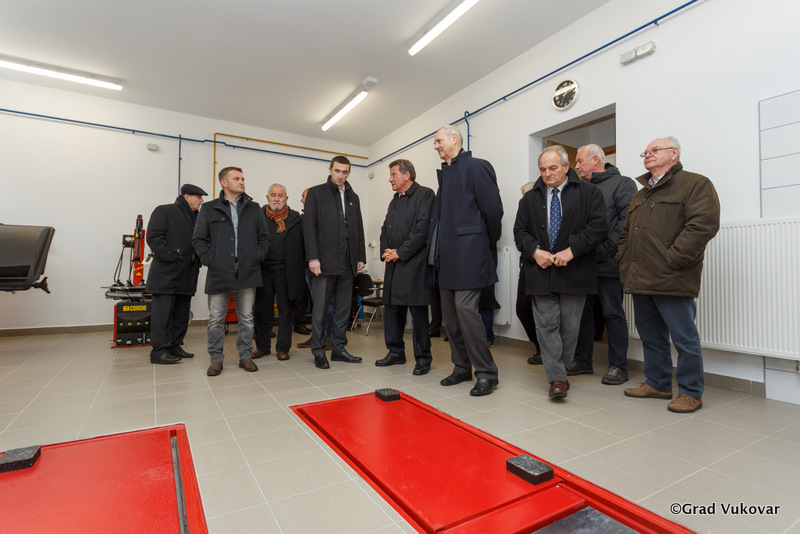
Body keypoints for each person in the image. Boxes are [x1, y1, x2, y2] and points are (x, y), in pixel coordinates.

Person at [618, 137, 720, 413]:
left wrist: (673, 259)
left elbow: (703, 225)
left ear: (674, 153)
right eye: (645, 152)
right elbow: (626, 233)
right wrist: (623, 259)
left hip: (672, 276)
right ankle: (658, 383)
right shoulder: (641, 194)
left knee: (684, 338)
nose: (648, 155)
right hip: (640, 277)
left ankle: (690, 392)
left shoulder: (696, 183)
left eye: (655, 150)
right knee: (650, 335)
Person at [513, 145, 606, 398]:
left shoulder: (589, 193)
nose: (547, 173)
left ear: (566, 167)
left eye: (553, 168)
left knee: (570, 328)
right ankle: (556, 379)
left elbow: (598, 227)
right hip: (541, 272)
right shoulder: (529, 199)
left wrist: (572, 250)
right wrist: (534, 252)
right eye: (543, 169)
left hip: (575, 272)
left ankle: (560, 370)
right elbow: (520, 232)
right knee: (546, 327)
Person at [426, 125, 503, 396]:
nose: (436, 146)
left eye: (439, 141)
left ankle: (487, 373)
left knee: (467, 313)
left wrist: (486, 242)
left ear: (454, 138)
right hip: (446, 258)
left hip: (470, 255)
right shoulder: (447, 174)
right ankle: (461, 367)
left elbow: (493, 210)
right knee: (451, 318)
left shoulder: (477, 167)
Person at [569, 144, 637, 385]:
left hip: (608, 261)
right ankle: (582, 361)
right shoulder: (580, 188)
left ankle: (618, 366)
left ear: (595, 159)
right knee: (583, 314)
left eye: (580, 161)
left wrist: (607, 248)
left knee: (612, 313)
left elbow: (626, 221)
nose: (576, 166)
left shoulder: (623, 184)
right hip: (582, 262)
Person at [192, 166, 269, 376]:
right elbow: (198, 239)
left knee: (247, 317)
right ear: (224, 183)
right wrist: (210, 260)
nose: (241, 182)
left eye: (242, 178)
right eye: (236, 179)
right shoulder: (209, 208)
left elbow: (264, 237)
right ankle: (216, 359)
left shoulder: (254, 208)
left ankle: (245, 356)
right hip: (219, 271)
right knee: (216, 318)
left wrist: (257, 256)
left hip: (248, 270)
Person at [303, 156, 366, 369]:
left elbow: (358, 228)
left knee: (342, 309)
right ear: (330, 169)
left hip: (348, 262)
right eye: (337, 171)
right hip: (324, 262)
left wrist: (360, 257)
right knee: (320, 310)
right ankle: (319, 351)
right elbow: (309, 228)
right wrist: (313, 258)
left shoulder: (353, 197)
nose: (340, 175)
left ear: (349, 173)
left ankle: (339, 349)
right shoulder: (315, 194)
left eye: (345, 172)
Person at [376, 159, 435, 375]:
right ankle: (395, 353)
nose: (390, 179)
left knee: (418, 313)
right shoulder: (395, 200)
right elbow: (385, 228)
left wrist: (400, 252)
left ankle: (423, 358)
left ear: (407, 175)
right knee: (392, 310)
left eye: (394, 175)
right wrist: (386, 250)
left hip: (414, 264)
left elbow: (422, 230)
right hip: (393, 264)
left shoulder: (425, 194)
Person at [145, 183, 207, 364]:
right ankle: (159, 351)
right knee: (163, 315)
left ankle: (174, 346)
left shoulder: (197, 217)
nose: (201, 200)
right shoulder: (165, 211)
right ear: (187, 197)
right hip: (167, 275)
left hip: (188, 275)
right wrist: (173, 257)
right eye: (198, 197)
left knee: (181, 314)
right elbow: (154, 237)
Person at [252, 184, 304, 361]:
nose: (276, 199)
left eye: (280, 195)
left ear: (286, 199)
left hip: (286, 271)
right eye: (273, 195)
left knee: (286, 311)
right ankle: (262, 347)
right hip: (262, 270)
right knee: (261, 311)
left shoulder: (296, 219)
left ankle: (283, 348)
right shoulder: (257, 217)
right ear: (267, 197)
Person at [516, 181, 543, 365]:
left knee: (545, 313)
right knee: (522, 308)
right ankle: (540, 347)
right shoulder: (525, 211)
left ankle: (547, 351)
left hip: (542, 267)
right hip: (526, 265)